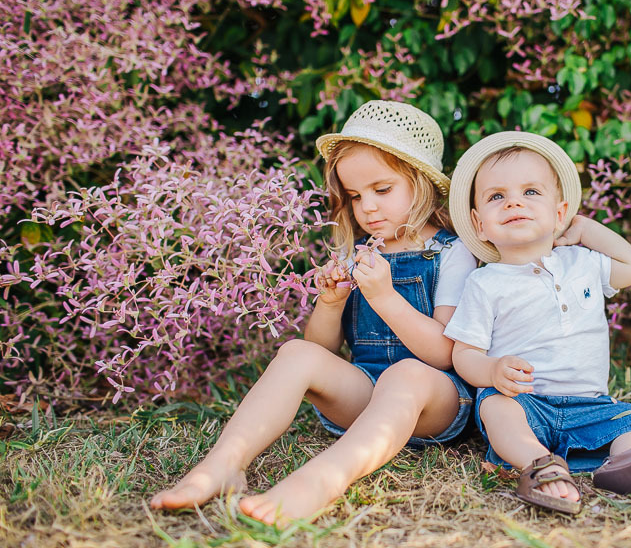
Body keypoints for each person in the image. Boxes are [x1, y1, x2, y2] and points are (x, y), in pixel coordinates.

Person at [151, 100, 476, 525]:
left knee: (407, 374)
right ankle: (225, 463)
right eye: (356, 196)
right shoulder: (356, 252)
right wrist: (331, 302)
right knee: (295, 353)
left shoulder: (451, 254)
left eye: (382, 190)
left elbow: (444, 355)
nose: (368, 209)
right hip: (366, 395)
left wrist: (384, 297)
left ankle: (323, 480)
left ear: (422, 184)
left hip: (434, 403)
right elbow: (321, 351)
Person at [443, 131, 631, 515]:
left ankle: (630, 460)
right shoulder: (485, 282)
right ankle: (539, 463)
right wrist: (492, 369)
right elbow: (464, 354)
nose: (514, 202)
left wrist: (584, 228)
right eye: (496, 197)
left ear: (559, 213)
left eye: (531, 193)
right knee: (493, 406)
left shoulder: (583, 263)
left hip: (590, 405)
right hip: (526, 405)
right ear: (479, 224)